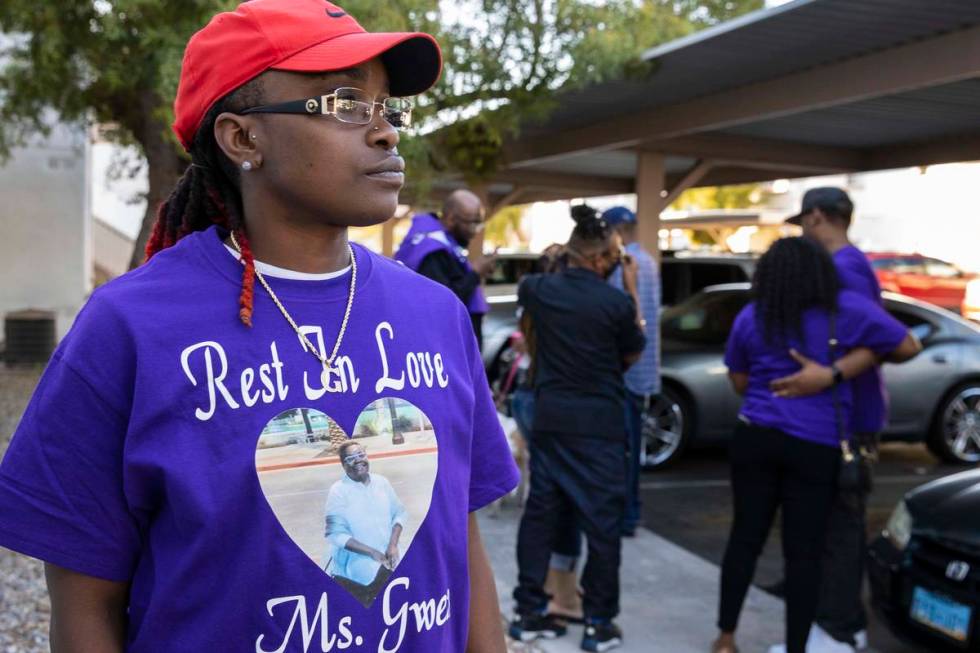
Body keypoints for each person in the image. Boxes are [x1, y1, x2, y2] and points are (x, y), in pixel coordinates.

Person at [0, 2, 519, 650]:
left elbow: (461, 544)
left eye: (388, 108)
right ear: (243, 138)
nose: (386, 132)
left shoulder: (436, 314)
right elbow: (85, 607)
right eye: (345, 103)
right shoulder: (127, 329)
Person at [710, 237, 921, 653]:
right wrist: (837, 372)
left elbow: (738, 380)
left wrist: (774, 387)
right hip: (815, 446)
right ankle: (795, 647)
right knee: (803, 553)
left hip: (756, 438)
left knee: (744, 539)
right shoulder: (846, 312)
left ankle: (726, 638)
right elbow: (907, 345)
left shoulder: (752, 316)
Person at [509, 205, 646, 652]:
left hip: (551, 420)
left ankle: (528, 614)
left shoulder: (539, 289)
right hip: (599, 425)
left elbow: (531, 288)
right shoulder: (616, 303)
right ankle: (599, 623)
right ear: (602, 259)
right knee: (602, 525)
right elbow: (631, 355)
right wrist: (632, 291)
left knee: (541, 515)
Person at [780, 187, 886, 652]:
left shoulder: (844, 270)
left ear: (819, 217)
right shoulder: (844, 267)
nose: (803, 231)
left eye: (804, 221)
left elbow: (885, 339)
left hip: (849, 422)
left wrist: (832, 374)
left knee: (840, 528)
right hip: (835, 420)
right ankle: (834, 620)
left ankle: (841, 630)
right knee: (826, 526)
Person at [603, 206, 661, 537]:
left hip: (622, 371)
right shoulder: (650, 263)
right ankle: (632, 513)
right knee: (633, 449)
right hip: (643, 374)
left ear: (615, 232)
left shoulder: (622, 266)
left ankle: (624, 516)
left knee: (619, 451)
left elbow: (618, 319)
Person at [395, 189, 497, 347]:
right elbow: (441, 302)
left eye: (479, 223)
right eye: (472, 222)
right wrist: (475, 272)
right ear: (450, 219)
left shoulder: (445, 244)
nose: (476, 230)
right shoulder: (431, 250)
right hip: (443, 343)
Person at [324, 442, 407, 607]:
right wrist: (372, 553)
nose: (358, 461)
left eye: (361, 455)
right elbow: (335, 534)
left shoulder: (382, 482)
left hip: (390, 561)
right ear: (343, 464)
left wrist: (393, 545)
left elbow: (399, 513)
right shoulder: (338, 491)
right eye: (351, 458)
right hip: (356, 572)